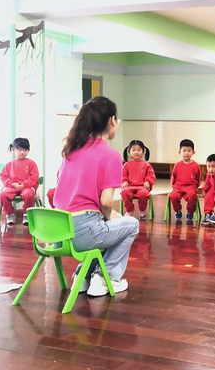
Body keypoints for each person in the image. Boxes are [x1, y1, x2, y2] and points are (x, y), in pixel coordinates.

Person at [53, 96, 139, 297]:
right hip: (85, 233)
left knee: (106, 224)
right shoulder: (110, 155)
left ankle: (82, 277)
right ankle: (105, 278)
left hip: (58, 232)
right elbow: (106, 203)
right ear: (111, 121)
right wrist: (111, 216)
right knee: (130, 224)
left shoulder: (71, 150)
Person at [0, 137, 39, 226]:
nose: (22, 152)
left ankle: (27, 214)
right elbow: (3, 176)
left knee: (28, 195)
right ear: (13, 149)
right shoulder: (9, 165)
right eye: (20, 149)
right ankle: (10, 214)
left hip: (26, 187)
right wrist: (11, 183)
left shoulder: (31, 163)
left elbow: (34, 177)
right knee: (2, 195)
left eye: (25, 150)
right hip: (13, 187)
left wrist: (24, 184)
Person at [120, 139, 156, 220]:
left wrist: (148, 181)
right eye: (133, 150)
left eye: (139, 150)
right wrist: (124, 181)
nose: (136, 152)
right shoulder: (126, 165)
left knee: (143, 194)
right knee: (124, 192)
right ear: (129, 152)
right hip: (129, 186)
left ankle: (142, 209)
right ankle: (129, 210)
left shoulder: (146, 165)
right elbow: (123, 175)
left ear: (143, 151)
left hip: (142, 186)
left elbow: (151, 175)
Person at [168, 139, 201, 222]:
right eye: (184, 151)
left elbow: (198, 178)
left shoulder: (196, 165)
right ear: (180, 152)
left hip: (191, 187)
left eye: (189, 151)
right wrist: (174, 187)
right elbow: (173, 177)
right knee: (173, 196)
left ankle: (190, 211)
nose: (186, 153)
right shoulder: (177, 165)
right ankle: (178, 210)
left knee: (192, 196)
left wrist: (195, 187)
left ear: (193, 152)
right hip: (178, 187)